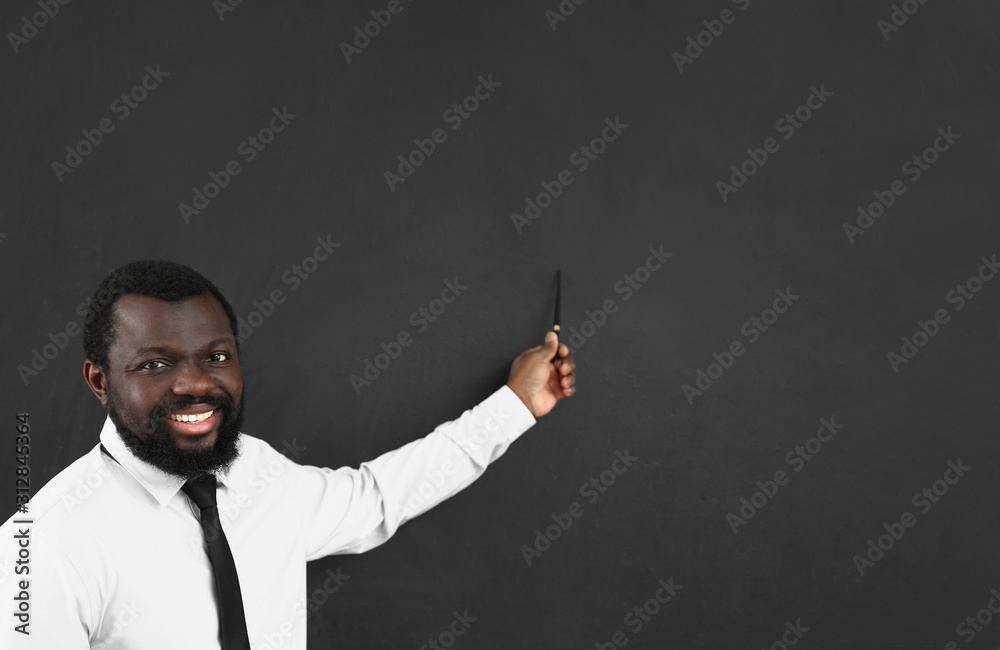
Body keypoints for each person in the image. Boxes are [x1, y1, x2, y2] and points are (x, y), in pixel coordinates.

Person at [0, 260, 576, 649]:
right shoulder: (42, 547)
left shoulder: (259, 472)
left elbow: (378, 498)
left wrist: (517, 404)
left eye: (217, 356)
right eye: (155, 364)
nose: (195, 385)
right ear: (99, 381)